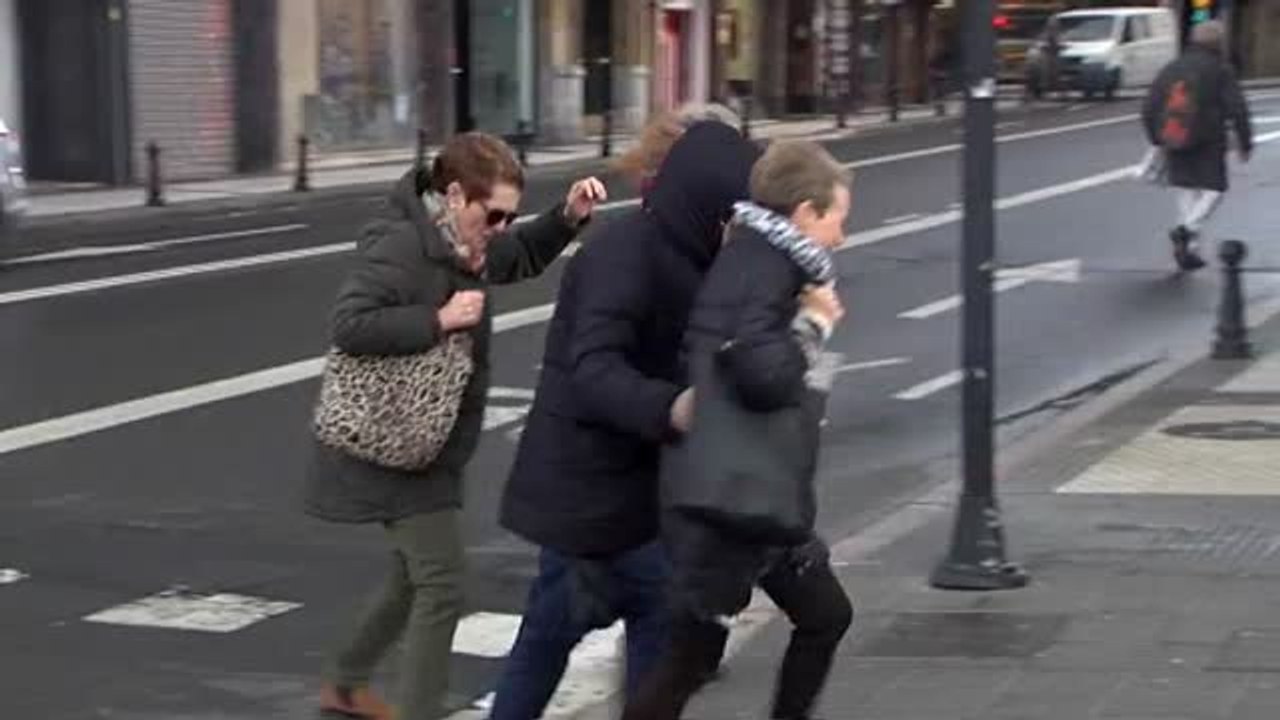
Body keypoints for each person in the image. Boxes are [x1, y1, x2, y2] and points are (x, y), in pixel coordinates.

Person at [304, 132, 605, 720]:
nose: (500, 227)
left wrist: (567, 217)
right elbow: (350, 324)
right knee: (442, 582)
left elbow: (516, 255)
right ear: (455, 195)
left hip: (429, 441)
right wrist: (437, 319)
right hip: (393, 438)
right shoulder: (403, 245)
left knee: (412, 574)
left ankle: (344, 681)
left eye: (509, 216)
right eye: (493, 214)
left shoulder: (463, 240)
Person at [490, 121, 761, 719]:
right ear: (706, 204)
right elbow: (593, 369)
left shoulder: (701, 260)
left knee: (628, 646)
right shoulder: (623, 253)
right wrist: (673, 407)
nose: (739, 233)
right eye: (734, 218)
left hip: (645, 500)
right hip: (589, 495)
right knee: (548, 645)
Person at [622, 140, 855, 720]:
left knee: (824, 616)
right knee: (690, 660)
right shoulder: (762, 269)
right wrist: (815, 323)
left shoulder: (760, 260)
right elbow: (764, 374)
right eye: (837, 219)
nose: (842, 237)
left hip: (751, 492)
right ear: (805, 212)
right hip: (730, 504)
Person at [1142, 20, 1252, 272]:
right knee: (1215, 189)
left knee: (1185, 190)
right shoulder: (1220, 69)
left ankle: (1188, 251)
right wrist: (1245, 142)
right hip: (1208, 139)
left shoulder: (1172, 67)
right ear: (1219, 43)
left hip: (1175, 136)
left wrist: (1156, 138)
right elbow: (1237, 108)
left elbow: (1149, 106)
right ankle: (1187, 231)